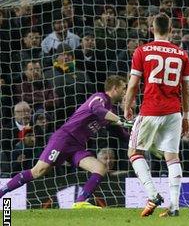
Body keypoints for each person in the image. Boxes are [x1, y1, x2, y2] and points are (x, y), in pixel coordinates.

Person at [0, 75, 129, 209]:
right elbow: (97, 109)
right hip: (64, 139)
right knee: (38, 171)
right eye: (124, 88)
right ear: (115, 88)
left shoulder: (111, 111)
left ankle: (80, 202)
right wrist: (121, 120)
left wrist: (135, 138)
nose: (125, 91)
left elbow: (120, 133)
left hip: (77, 146)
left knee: (100, 168)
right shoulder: (100, 98)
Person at [123, 13, 189, 217]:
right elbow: (187, 89)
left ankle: (153, 194)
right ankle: (174, 206)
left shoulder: (142, 51)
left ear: (152, 29)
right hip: (174, 112)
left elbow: (133, 84)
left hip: (151, 109)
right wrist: (186, 116)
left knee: (134, 152)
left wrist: (127, 106)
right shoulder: (181, 54)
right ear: (171, 30)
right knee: (172, 157)